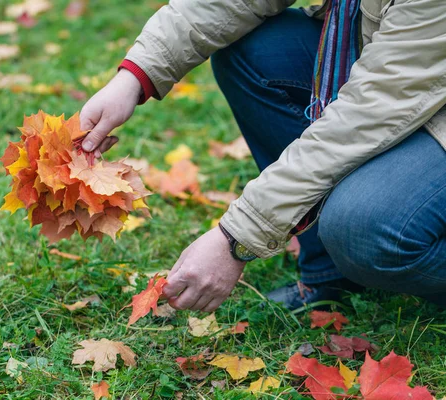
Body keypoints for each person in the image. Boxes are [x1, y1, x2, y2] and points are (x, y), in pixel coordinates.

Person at [79, 0, 446, 311]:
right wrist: (133, 78)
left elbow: (375, 108)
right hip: (395, 66)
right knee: (253, 53)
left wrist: (235, 237)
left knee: (363, 226)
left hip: (416, 86)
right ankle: (331, 273)